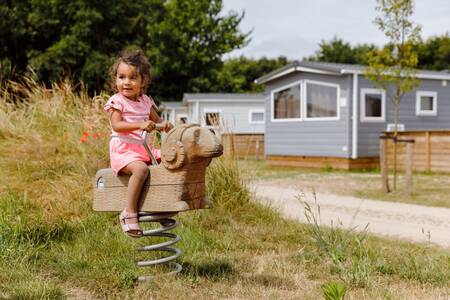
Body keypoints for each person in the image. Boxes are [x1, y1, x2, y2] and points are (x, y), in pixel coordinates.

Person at [104, 49, 173, 237]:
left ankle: (159, 207)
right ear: (115, 79)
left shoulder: (145, 101)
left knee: (170, 160)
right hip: (125, 150)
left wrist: (164, 125)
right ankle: (129, 213)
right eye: (121, 77)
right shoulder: (117, 101)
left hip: (145, 149)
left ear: (143, 81)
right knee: (141, 170)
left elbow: (157, 122)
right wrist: (140, 124)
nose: (126, 82)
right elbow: (117, 125)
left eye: (133, 78)